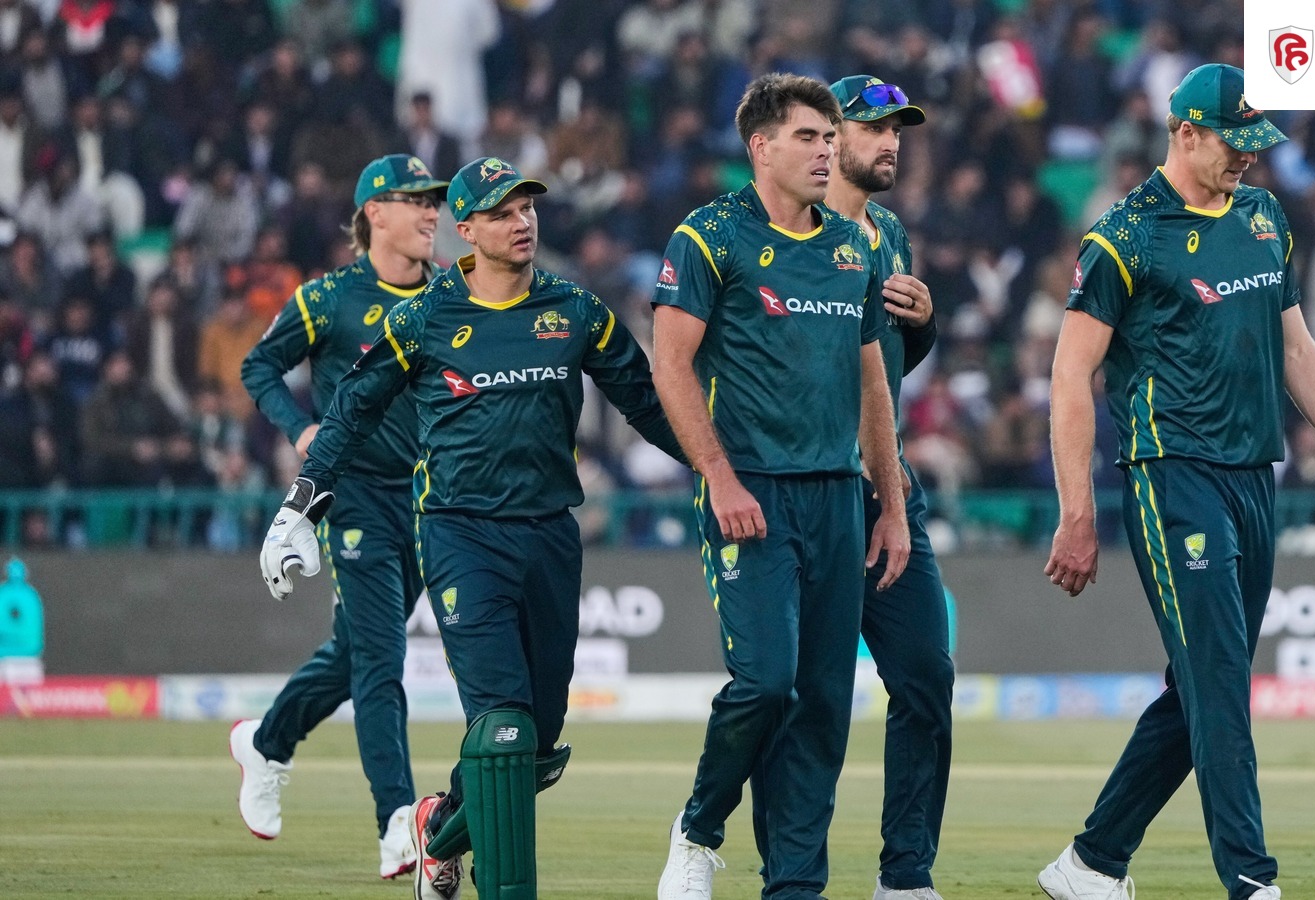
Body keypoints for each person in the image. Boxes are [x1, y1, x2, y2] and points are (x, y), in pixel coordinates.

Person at [258, 155, 684, 900]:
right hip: (460, 536)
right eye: (501, 212)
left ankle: (440, 824)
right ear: (467, 229)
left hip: (551, 536)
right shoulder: (422, 316)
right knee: (503, 727)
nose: (522, 223)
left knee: (537, 740)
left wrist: (721, 468)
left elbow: (647, 403)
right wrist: (301, 505)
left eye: (528, 208)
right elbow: (351, 412)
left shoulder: (577, 310)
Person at [1038, 64, 1315, 900]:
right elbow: (1070, 376)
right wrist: (1076, 512)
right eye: (1232, 143)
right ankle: (1251, 881)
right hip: (1171, 475)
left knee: (1207, 682)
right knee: (1216, 681)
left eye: (1254, 143)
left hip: (1253, 475)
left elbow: (1298, 351)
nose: (1247, 157)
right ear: (1185, 133)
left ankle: (1091, 863)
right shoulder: (1125, 237)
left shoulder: (1263, 215)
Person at [652, 72, 910, 900]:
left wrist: (891, 504)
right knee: (766, 682)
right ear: (760, 147)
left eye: (831, 137)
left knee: (825, 703)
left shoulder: (852, 247)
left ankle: (794, 885)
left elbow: (872, 382)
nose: (826, 150)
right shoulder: (708, 237)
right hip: (751, 492)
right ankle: (699, 828)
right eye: (809, 137)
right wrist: (719, 477)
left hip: (837, 495)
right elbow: (670, 364)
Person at [231, 154, 449, 879]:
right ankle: (397, 824)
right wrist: (300, 430)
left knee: (356, 651)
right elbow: (259, 366)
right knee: (382, 660)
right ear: (374, 213)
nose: (431, 212)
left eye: (434, 201)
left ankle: (266, 744)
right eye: (415, 200)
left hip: (426, 501)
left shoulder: (448, 294)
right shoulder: (328, 299)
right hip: (352, 497)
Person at [823, 74, 953, 900]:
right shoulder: (793, 234)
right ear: (829, 135)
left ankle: (905, 876)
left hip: (887, 489)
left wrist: (925, 322)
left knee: (926, 678)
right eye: (873, 126)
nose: (890, 142)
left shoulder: (891, 233)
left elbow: (888, 366)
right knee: (801, 696)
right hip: (812, 489)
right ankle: (781, 867)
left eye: (897, 129)